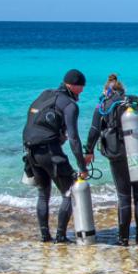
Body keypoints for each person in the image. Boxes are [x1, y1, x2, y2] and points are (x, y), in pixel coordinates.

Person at [83, 74, 138, 245]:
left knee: (124, 197)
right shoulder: (136, 102)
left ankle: (123, 239)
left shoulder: (103, 105)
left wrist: (88, 151)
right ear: (123, 90)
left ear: (106, 90)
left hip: (119, 156)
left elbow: (94, 130)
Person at [22, 69, 88, 242]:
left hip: (30, 150)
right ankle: (61, 236)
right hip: (49, 151)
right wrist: (82, 167)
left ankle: (45, 236)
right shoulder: (70, 105)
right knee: (70, 190)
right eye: (82, 87)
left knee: (43, 193)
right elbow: (74, 139)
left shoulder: (46, 94)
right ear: (74, 86)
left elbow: (34, 121)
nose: (82, 91)